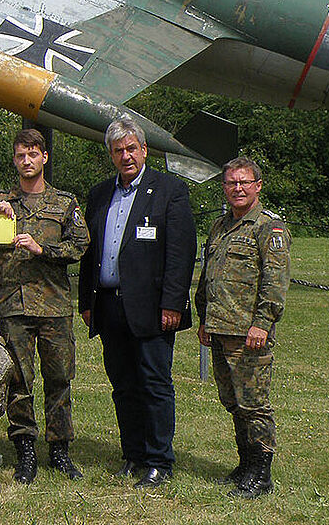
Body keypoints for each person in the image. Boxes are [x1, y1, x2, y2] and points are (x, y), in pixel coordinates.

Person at [78, 118, 195, 488]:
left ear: (144, 150)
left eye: (132, 148)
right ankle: (133, 455)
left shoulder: (169, 191)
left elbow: (181, 253)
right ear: (111, 155)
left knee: (154, 384)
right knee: (123, 385)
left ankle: (160, 461)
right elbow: (88, 252)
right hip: (110, 307)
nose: (126, 156)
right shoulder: (98, 195)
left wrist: (173, 303)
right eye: (118, 150)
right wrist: (86, 301)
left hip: (152, 308)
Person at [0, 129, 91, 484]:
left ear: (44, 157)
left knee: (59, 379)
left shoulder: (64, 203)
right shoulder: (1, 201)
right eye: (19, 155)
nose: (26, 161)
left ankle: (59, 449)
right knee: (19, 381)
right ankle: (25, 449)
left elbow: (80, 245)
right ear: (14, 160)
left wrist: (44, 250)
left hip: (54, 306)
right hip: (14, 306)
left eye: (32, 154)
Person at [195, 157, 289, 498]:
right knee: (233, 401)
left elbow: (274, 282)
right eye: (231, 182)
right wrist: (204, 317)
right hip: (221, 329)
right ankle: (245, 464)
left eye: (244, 182)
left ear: (257, 186)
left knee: (254, 403)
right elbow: (208, 277)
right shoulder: (219, 227)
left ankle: (261, 474)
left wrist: (262, 324)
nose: (237, 188)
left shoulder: (269, 228)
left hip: (249, 333)